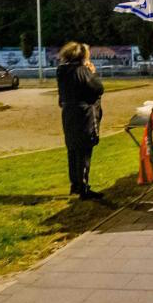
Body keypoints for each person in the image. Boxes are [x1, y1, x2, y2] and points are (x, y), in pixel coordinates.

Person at [56, 41, 105, 199]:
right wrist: (92, 72)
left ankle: (75, 185)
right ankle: (84, 188)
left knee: (72, 150)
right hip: (84, 116)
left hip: (68, 114)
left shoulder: (61, 71)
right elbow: (98, 88)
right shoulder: (82, 71)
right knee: (84, 150)